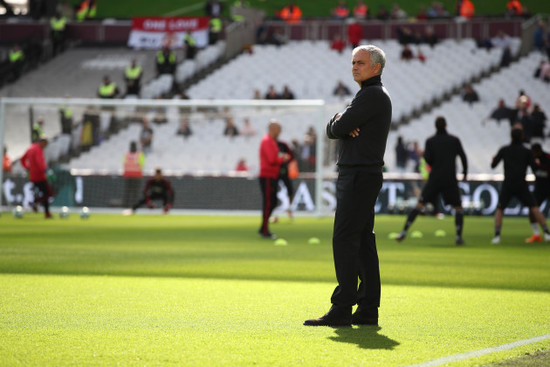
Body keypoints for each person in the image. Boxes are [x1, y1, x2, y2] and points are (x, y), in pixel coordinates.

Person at [304, 45, 391, 327]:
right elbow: (334, 127)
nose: (354, 67)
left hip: (357, 175)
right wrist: (338, 122)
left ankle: (342, 308)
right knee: (364, 241)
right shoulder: (369, 95)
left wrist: (340, 123)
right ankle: (367, 308)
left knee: (344, 238)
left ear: (376, 67)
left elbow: (337, 128)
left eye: (361, 63)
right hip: (363, 174)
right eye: (353, 62)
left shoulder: (371, 95)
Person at [396, 116, 468, 245]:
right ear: (446, 125)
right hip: (449, 178)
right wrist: (465, 173)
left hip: (435, 178)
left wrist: (436, 161)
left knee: (419, 205)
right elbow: (463, 156)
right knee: (458, 207)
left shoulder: (430, 141)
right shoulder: (454, 140)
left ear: (435, 126)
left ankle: (404, 231)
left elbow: (427, 159)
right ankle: (458, 237)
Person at [490, 128, 550, 244]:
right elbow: (535, 169)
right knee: (534, 207)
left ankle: (497, 236)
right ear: (522, 137)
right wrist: (537, 164)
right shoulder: (526, 151)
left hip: (508, 184)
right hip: (522, 184)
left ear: (511, 136)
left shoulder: (504, 149)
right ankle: (547, 233)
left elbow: (493, 165)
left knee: (500, 209)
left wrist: (493, 160)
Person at [258, 119, 290, 239]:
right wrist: (283, 159)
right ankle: (265, 229)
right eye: (279, 129)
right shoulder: (267, 141)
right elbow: (272, 160)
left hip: (272, 176)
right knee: (268, 203)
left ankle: (263, 227)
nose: (280, 132)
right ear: (273, 129)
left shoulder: (271, 141)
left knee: (272, 202)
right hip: (267, 176)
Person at [21, 137, 53, 218]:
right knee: (48, 193)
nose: (44, 147)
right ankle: (36, 204)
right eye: (45, 145)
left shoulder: (31, 148)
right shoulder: (38, 149)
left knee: (44, 193)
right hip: (40, 176)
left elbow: (22, 159)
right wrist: (46, 170)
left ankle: (46, 212)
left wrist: (27, 167)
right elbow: (40, 162)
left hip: (32, 176)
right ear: (42, 142)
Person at [525, 143, 550, 242]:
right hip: (539, 189)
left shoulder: (547, 157)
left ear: (538, 151)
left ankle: (545, 234)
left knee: (533, 209)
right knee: (532, 210)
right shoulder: (531, 159)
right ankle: (536, 234)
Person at [271, 139, 295, 223]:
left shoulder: (283, 144)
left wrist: (286, 158)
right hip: (274, 171)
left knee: (290, 190)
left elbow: (291, 156)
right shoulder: (270, 145)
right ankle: (274, 214)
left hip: (284, 171)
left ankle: (289, 209)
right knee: (273, 193)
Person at [122, 141, 145, 208]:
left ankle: (125, 206)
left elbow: (124, 163)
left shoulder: (126, 154)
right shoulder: (140, 155)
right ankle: (134, 206)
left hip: (128, 175)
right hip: (137, 175)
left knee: (127, 191)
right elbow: (142, 164)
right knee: (135, 192)